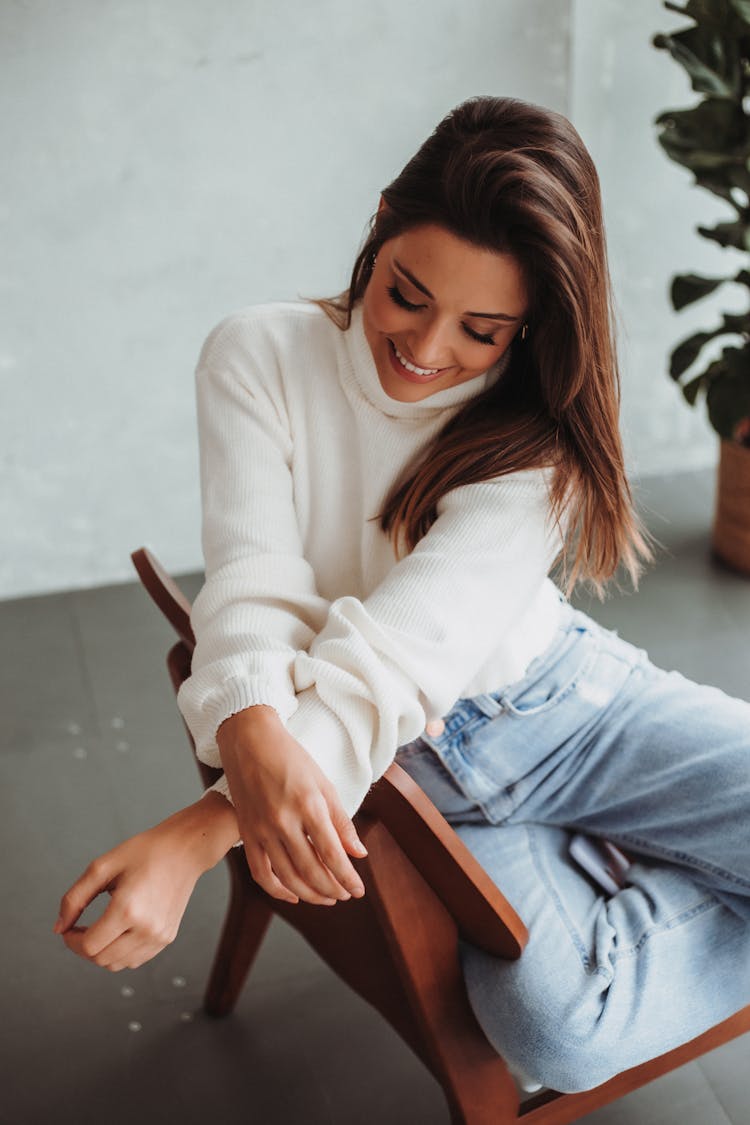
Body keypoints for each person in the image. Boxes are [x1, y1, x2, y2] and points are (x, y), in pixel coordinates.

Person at [54, 96, 750, 1094]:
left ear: (535, 321)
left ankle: (666, 858)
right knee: (557, 1034)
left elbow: (397, 657)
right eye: (406, 293)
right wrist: (250, 741)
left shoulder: (537, 446)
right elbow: (253, 582)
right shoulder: (257, 354)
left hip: (566, 711)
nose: (426, 348)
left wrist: (200, 833)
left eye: (483, 328)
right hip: (408, 775)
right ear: (380, 222)